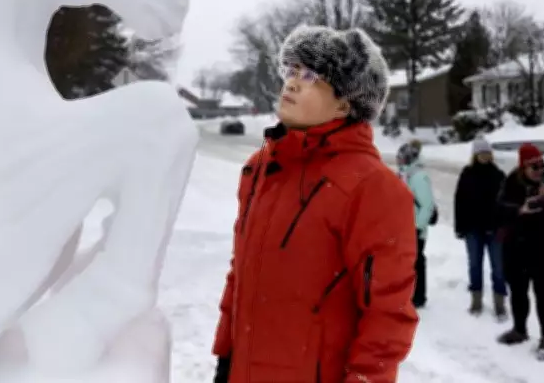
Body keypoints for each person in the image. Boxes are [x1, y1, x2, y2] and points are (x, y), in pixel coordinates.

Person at [212, 25, 419, 383]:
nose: (291, 83)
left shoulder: (373, 188)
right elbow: (240, 274)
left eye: (309, 75)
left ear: (345, 101)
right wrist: (225, 358)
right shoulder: (261, 169)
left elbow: (387, 315)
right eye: (290, 70)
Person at [496, 142, 544, 361]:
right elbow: (498, 211)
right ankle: (520, 329)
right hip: (517, 249)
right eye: (534, 167)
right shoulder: (510, 185)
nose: (539, 171)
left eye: (541, 166)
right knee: (518, 292)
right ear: (522, 168)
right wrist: (520, 210)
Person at [454, 137, 507, 319]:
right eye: (481, 153)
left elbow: (506, 204)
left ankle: (499, 303)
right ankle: (476, 301)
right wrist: (460, 226)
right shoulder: (467, 174)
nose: (484, 156)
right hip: (472, 229)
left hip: (494, 230)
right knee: (475, 265)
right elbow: (459, 201)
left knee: (498, 267)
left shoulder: (498, 175)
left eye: (487, 153)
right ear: (475, 155)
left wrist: (504, 226)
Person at [397, 139, 435, 308]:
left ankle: (419, 296)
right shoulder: (405, 175)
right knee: (407, 263)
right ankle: (410, 293)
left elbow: (427, 205)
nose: (398, 160)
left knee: (417, 263)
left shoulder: (418, 177)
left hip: (415, 229)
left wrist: (417, 227)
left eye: (401, 157)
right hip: (405, 227)